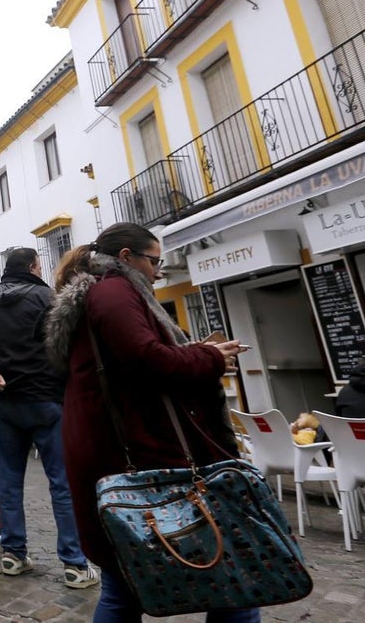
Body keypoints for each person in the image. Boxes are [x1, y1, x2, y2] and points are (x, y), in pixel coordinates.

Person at [44, 223, 249, 623]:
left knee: (124, 587)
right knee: (231, 583)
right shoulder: (114, 292)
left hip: (116, 447)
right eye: (154, 261)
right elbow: (143, 358)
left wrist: (194, 353)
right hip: (131, 453)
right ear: (126, 258)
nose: (158, 270)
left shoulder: (106, 292)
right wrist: (207, 358)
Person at [0, 250, 99, 588]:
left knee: (9, 478)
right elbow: (68, 347)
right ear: (34, 267)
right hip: (46, 399)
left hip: (4, 401)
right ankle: (74, 563)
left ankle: (13, 554)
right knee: (61, 482)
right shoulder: (48, 298)